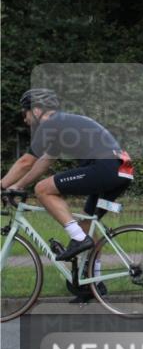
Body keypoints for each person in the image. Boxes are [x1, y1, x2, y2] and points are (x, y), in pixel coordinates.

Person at [1, 89, 134, 300]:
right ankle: (95, 284)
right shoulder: (63, 123)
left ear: (36, 110)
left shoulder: (51, 124)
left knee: (43, 189)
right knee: (87, 226)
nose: (25, 119)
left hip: (105, 167)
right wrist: (17, 185)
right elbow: (44, 161)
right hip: (122, 169)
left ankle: (79, 240)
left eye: (25, 113)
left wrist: (1, 185)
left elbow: (26, 161)